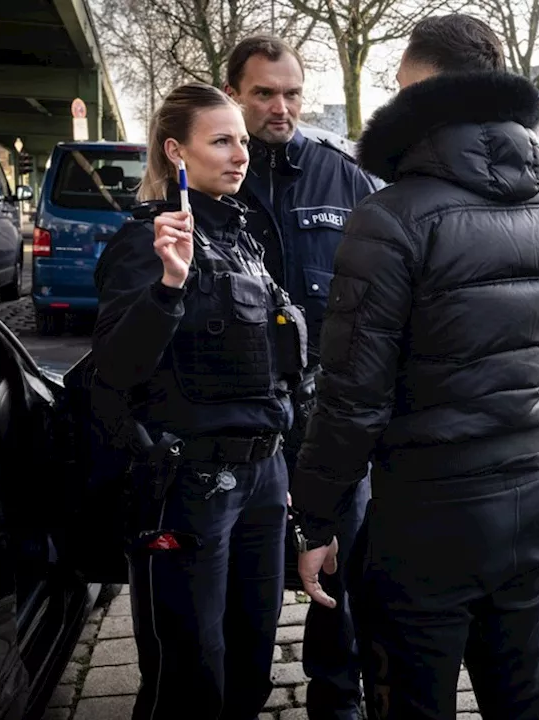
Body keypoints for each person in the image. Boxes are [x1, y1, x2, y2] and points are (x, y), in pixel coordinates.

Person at [291, 14, 539, 719]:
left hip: (425, 509)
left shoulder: (391, 215)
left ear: (424, 86)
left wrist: (317, 518)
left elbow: (351, 395)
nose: (392, 102)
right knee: (522, 696)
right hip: (524, 501)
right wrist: (522, 452)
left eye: (398, 86)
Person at [91, 82, 302, 719]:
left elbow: (277, 370)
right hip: (191, 486)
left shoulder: (243, 239)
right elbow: (116, 369)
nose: (240, 153)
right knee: (190, 674)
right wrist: (168, 286)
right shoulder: (147, 244)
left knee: (250, 658)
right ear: (177, 153)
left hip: (264, 479)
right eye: (222, 141)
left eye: (241, 140)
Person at [224, 35, 378, 720]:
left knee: (340, 571)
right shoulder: (209, 174)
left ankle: (335, 699)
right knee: (240, 577)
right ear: (234, 94)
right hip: (238, 417)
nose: (280, 108)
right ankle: (235, 693)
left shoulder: (343, 177)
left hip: (329, 415)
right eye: (263, 94)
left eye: (290, 93)